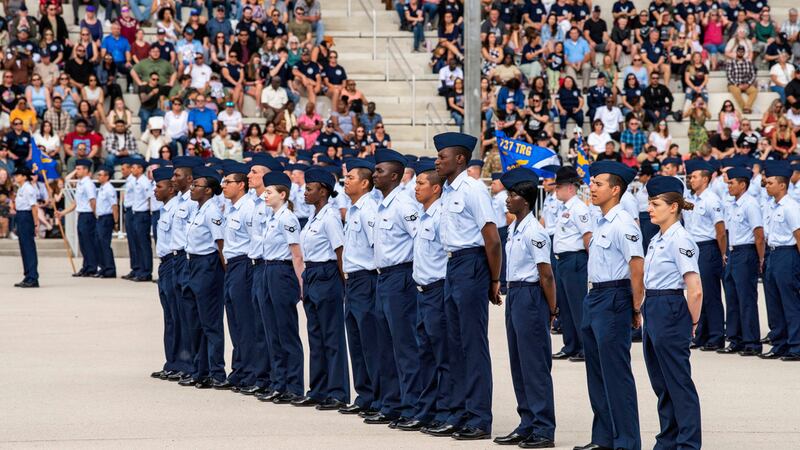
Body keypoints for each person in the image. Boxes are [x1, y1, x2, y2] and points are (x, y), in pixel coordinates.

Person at [425, 132, 501, 440]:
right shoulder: (446, 192)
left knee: (472, 345)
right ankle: (458, 413)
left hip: (471, 265)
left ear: (459, 159)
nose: (436, 161)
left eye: (442, 156)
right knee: (454, 345)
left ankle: (479, 418)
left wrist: (494, 279)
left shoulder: (472, 189)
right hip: (452, 265)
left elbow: (492, 238)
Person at [576, 161, 642, 450]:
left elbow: (636, 265)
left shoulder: (623, 222)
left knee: (616, 375)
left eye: (598, 183)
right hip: (595, 297)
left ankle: (626, 442)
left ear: (615, 190)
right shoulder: (601, 221)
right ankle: (603, 438)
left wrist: (636, 307)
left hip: (614, 297)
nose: (592, 187)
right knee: (597, 374)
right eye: (592, 182)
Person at [492, 167, 558, 448]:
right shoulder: (515, 229)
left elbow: (546, 274)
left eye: (514, 195)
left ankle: (543, 428)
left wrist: (552, 310)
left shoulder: (536, 232)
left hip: (531, 296)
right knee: (519, 363)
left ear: (527, 201)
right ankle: (527, 422)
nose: (508, 199)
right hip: (516, 295)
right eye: (509, 193)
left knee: (534, 364)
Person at [641, 175, 703, 449]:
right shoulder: (657, 239)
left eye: (655, 204)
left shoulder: (681, 240)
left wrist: (691, 321)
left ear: (673, 207)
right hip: (654, 306)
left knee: (678, 381)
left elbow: (695, 288)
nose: (650, 209)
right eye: (650, 203)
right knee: (661, 382)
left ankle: (688, 443)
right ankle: (668, 438)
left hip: (670, 307)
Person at [363, 149, 421, 426]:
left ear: (395, 176)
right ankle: (391, 403)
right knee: (384, 345)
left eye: (380, 171)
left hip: (401, 277)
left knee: (404, 346)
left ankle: (411, 407)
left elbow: (419, 241)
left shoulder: (405, 204)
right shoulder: (382, 204)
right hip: (382, 277)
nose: (375, 175)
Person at [394, 161, 451, 430]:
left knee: (442, 356)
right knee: (425, 355)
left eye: (420, 184)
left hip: (438, 290)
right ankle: (426, 410)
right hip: (422, 291)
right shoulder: (424, 214)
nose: (415, 188)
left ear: (436, 188)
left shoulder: (441, 216)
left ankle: (445, 411)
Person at [295, 168, 349, 409]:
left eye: (309, 188)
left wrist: (344, 284)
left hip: (327, 274)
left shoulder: (330, 216)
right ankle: (318, 389)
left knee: (331, 337)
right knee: (316, 336)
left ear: (323, 191)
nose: (305, 193)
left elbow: (340, 252)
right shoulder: (314, 217)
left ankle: (338, 392)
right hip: (313, 273)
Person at [256, 168, 306, 403]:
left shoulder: (287, 219)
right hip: (268, 269)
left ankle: (294, 386)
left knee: (286, 331)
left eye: (269, 192)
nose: (265, 195)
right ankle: (279, 383)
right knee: (271, 330)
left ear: (283, 195)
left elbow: (296, 255)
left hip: (282, 272)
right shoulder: (271, 217)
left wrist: (301, 284)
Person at [220, 162, 266, 392]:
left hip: (245, 264)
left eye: (227, 182)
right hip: (232, 266)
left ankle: (250, 372)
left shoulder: (248, 207)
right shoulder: (232, 208)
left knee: (246, 322)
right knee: (235, 321)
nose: (223, 186)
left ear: (240, 185)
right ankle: (239, 369)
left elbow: (253, 241)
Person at [339, 158, 380, 416]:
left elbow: (378, 245)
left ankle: (377, 396)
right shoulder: (354, 209)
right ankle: (364, 394)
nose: (346, 180)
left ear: (365, 183)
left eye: (351, 177)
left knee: (370, 340)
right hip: (352, 280)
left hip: (366, 278)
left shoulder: (368, 210)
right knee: (355, 339)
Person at [184, 166, 228, 388]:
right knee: (196, 322)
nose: (192, 189)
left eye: (196, 186)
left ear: (209, 190)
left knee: (210, 323)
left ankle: (216, 372)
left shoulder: (212, 212)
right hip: (193, 264)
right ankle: (199, 369)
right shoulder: (198, 209)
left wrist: (224, 272)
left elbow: (220, 244)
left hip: (208, 266)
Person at [718, 166, 765, 356]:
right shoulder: (733, 204)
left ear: (743, 184)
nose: (728, 186)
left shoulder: (750, 204)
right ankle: (735, 339)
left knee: (746, 299)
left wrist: (760, 257)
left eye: (731, 183)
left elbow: (758, 234)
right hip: (734, 251)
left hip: (746, 252)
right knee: (732, 297)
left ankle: (752, 342)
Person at [683, 159, 727, 351]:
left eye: (694, 176)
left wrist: (722, 253)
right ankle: (701, 334)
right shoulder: (692, 199)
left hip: (708, 247)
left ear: (705, 179)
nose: (690, 180)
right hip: (694, 248)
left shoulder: (711, 200)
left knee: (710, 294)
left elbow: (720, 230)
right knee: (696, 293)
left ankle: (716, 335)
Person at [151, 166, 188, 380]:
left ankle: (184, 363)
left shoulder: (178, 208)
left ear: (171, 189)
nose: (155, 190)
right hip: (165, 264)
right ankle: (172, 362)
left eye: (159, 186)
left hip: (176, 261)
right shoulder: (165, 209)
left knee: (179, 315)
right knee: (170, 317)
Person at [551, 166, 591, 362]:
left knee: (577, 305)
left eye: (558, 187)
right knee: (565, 306)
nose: (555, 190)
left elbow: (588, 236)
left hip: (575, 260)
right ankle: (571, 345)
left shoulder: (579, 208)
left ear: (570, 188)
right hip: (563, 261)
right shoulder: (564, 208)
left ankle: (585, 346)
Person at [760, 162, 800, 361]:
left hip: (787, 254)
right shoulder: (771, 205)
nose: (766, 186)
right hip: (773, 254)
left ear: (782, 185)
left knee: (790, 302)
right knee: (773, 302)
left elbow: (799, 236)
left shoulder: (790, 207)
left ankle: (796, 345)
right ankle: (779, 343)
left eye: (770, 183)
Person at [57, 160, 99, 277]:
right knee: (83, 243)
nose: (77, 171)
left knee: (88, 242)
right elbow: (76, 203)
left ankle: (91, 267)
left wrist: (95, 215)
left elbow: (93, 201)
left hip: (88, 215)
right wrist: (62, 213)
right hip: (81, 215)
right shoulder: (80, 183)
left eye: (79, 169)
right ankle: (86, 266)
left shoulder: (88, 184)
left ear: (86, 170)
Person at [12, 166, 38, 288]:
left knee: (28, 247)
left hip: (27, 216)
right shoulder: (21, 188)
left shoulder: (28, 189)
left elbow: (34, 207)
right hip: (21, 215)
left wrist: (36, 223)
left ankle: (33, 277)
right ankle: (27, 275)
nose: (16, 177)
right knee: (23, 247)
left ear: (24, 176)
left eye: (18, 175)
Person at [130, 159, 153, 282]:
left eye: (134, 167)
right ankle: (140, 270)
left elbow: (149, 198)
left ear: (140, 169)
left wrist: (147, 213)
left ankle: (146, 271)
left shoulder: (144, 181)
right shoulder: (137, 181)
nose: (132, 170)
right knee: (137, 243)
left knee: (143, 244)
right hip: (136, 213)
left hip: (142, 214)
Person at [95, 166, 118, 279]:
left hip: (106, 218)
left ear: (107, 176)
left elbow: (114, 205)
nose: (98, 177)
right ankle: (103, 267)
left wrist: (116, 221)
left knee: (105, 244)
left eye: (101, 175)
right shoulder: (102, 188)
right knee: (99, 244)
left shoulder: (109, 188)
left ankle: (110, 269)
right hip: (101, 217)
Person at [726, 45, 758, 114]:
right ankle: (745, 109)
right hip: (734, 84)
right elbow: (729, 76)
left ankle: (747, 107)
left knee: (754, 91)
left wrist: (748, 83)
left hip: (746, 84)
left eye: (742, 52)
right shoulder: (731, 63)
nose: (740, 53)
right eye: (739, 51)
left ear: (744, 53)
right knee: (737, 91)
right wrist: (737, 85)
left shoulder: (748, 63)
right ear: (736, 52)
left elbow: (753, 75)